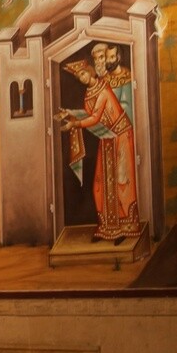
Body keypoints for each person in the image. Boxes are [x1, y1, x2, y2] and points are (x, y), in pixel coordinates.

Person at [56, 60, 141, 242]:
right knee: (101, 184)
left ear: (90, 71)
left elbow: (94, 117)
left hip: (121, 136)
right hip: (107, 137)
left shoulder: (103, 89)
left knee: (121, 181)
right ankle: (108, 227)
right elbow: (91, 116)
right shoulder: (89, 93)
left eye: (84, 74)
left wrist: (75, 123)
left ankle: (126, 226)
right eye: (79, 77)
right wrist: (70, 113)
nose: (82, 78)